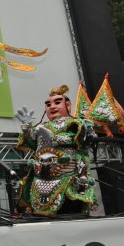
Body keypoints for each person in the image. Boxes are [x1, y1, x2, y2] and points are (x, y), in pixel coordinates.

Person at [15, 85, 98, 215]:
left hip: (67, 177)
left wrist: (54, 138)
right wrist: (27, 127)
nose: (52, 106)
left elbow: (78, 139)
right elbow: (32, 143)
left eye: (57, 102)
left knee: (69, 213)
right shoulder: (42, 126)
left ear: (68, 105)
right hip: (41, 178)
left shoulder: (75, 123)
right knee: (41, 217)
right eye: (48, 104)